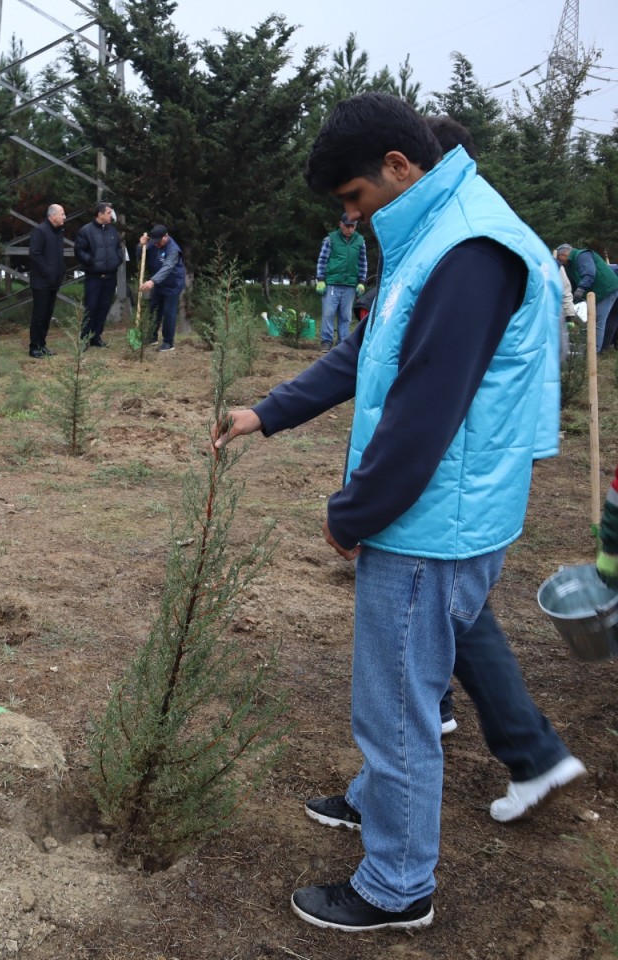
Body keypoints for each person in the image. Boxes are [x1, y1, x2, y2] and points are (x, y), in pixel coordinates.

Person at [213, 93, 571, 933]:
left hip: (431, 524)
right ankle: (379, 803)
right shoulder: (433, 234)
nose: (350, 215)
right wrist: (267, 411)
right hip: (441, 512)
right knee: (405, 685)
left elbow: (424, 412)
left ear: (400, 169)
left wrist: (354, 513)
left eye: (352, 198)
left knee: (397, 705)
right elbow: (368, 350)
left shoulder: (470, 251)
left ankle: (397, 885)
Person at [315, 213, 368, 352]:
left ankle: (343, 343)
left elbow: (363, 262)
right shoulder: (330, 239)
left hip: (350, 284)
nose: (350, 230)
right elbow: (322, 260)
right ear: (341, 224)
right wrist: (320, 280)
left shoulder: (360, 241)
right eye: (347, 226)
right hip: (332, 282)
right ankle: (326, 341)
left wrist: (361, 281)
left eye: (353, 227)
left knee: (346, 316)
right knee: (329, 313)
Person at [73, 201, 124, 347]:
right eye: (108, 213)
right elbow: (79, 250)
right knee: (91, 307)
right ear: (100, 214)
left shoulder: (112, 231)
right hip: (94, 277)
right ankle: (84, 338)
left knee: (103, 307)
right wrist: (91, 261)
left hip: (110, 276)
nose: (111, 215)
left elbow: (119, 248)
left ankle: (96, 337)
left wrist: (117, 260)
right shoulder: (86, 231)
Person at [554, 243, 618, 352]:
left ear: (564, 253)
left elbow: (589, 273)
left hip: (607, 289)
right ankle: (602, 348)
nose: (560, 262)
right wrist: (572, 299)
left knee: (598, 320)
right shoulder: (569, 264)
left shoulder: (582, 256)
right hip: (597, 293)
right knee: (599, 320)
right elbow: (572, 283)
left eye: (559, 258)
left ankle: (595, 351)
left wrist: (581, 289)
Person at [138, 224, 186, 352]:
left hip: (172, 284)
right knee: (154, 310)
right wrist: (140, 245)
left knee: (168, 312)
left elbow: (168, 267)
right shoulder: (154, 243)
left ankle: (168, 342)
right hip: (159, 284)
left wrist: (152, 281)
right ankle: (152, 337)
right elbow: (141, 254)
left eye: (159, 242)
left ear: (166, 236)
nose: (156, 245)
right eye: (154, 242)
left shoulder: (173, 250)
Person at [27, 204, 66, 358]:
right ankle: (34, 347)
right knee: (40, 314)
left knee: (48, 314)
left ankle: (42, 344)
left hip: (53, 282)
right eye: (62, 214)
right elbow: (35, 254)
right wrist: (48, 271)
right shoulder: (40, 231)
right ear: (52, 216)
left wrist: (59, 272)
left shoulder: (58, 232)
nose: (64, 217)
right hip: (41, 282)